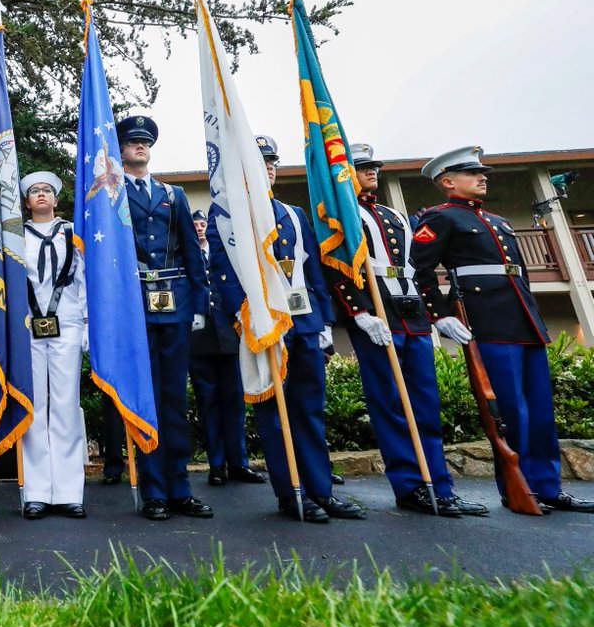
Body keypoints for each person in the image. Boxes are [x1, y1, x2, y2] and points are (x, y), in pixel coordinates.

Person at [410, 146, 594, 513]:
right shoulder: (440, 218)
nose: (482, 177)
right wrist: (440, 316)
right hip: (488, 322)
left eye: (483, 173)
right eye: (472, 173)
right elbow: (420, 270)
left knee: (541, 412)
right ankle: (519, 488)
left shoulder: (498, 221)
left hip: (523, 320)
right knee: (511, 413)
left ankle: (547, 486)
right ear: (448, 182)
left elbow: (519, 275)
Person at [208, 136, 363, 524]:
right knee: (275, 413)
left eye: (273, 161)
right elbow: (223, 274)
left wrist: (325, 320)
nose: (270, 167)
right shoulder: (229, 217)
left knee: (310, 410)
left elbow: (313, 271)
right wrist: (244, 319)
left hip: (304, 321)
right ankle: (291, 492)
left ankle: (321, 491)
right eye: (261, 162)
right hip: (266, 325)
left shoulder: (293, 213)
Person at [327, 144, 486, 517]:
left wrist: (438, 314)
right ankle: (411, 486)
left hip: (411, 314)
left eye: (374, 167)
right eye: (363, 167)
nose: (372, 172)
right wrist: (359, 312)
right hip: (378, 315)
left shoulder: (394, 215)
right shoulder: (342, 216)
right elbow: (334, 266)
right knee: (391, 405)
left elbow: (419, 267)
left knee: (425, 406)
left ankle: (440, 486)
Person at [117, 115, 213, 521]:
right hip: (134, 305)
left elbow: (191, 251)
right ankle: (154, 491)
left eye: (145, 141)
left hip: (173, 304)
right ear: (120, 148)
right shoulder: (110, 192)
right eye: (133, 141)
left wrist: (199, 305)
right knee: (147, 400)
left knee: (175, 400)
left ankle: (180, 488)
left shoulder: (172, 195)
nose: (140, 146)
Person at [19, 170, 87, 519]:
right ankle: (36, 491)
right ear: (27, 201)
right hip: (29, 326)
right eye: (34, 191)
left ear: (56, 199)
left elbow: (85, 279)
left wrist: (88, 323)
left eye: (47, 190)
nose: (41, 195)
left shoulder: (74, 233)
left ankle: (68, 491)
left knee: (64, 404)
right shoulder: (16, 236)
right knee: (35, 407)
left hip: (68, 324)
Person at [187, 208, 267, 487]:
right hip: (198, 340)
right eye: (194, 224)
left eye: (202, 224)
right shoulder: (186, 255)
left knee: (234, 402)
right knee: (208, 404)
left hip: (230, 337)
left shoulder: (224, 255)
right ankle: (217, 464)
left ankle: (238, 463)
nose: (198, 228)